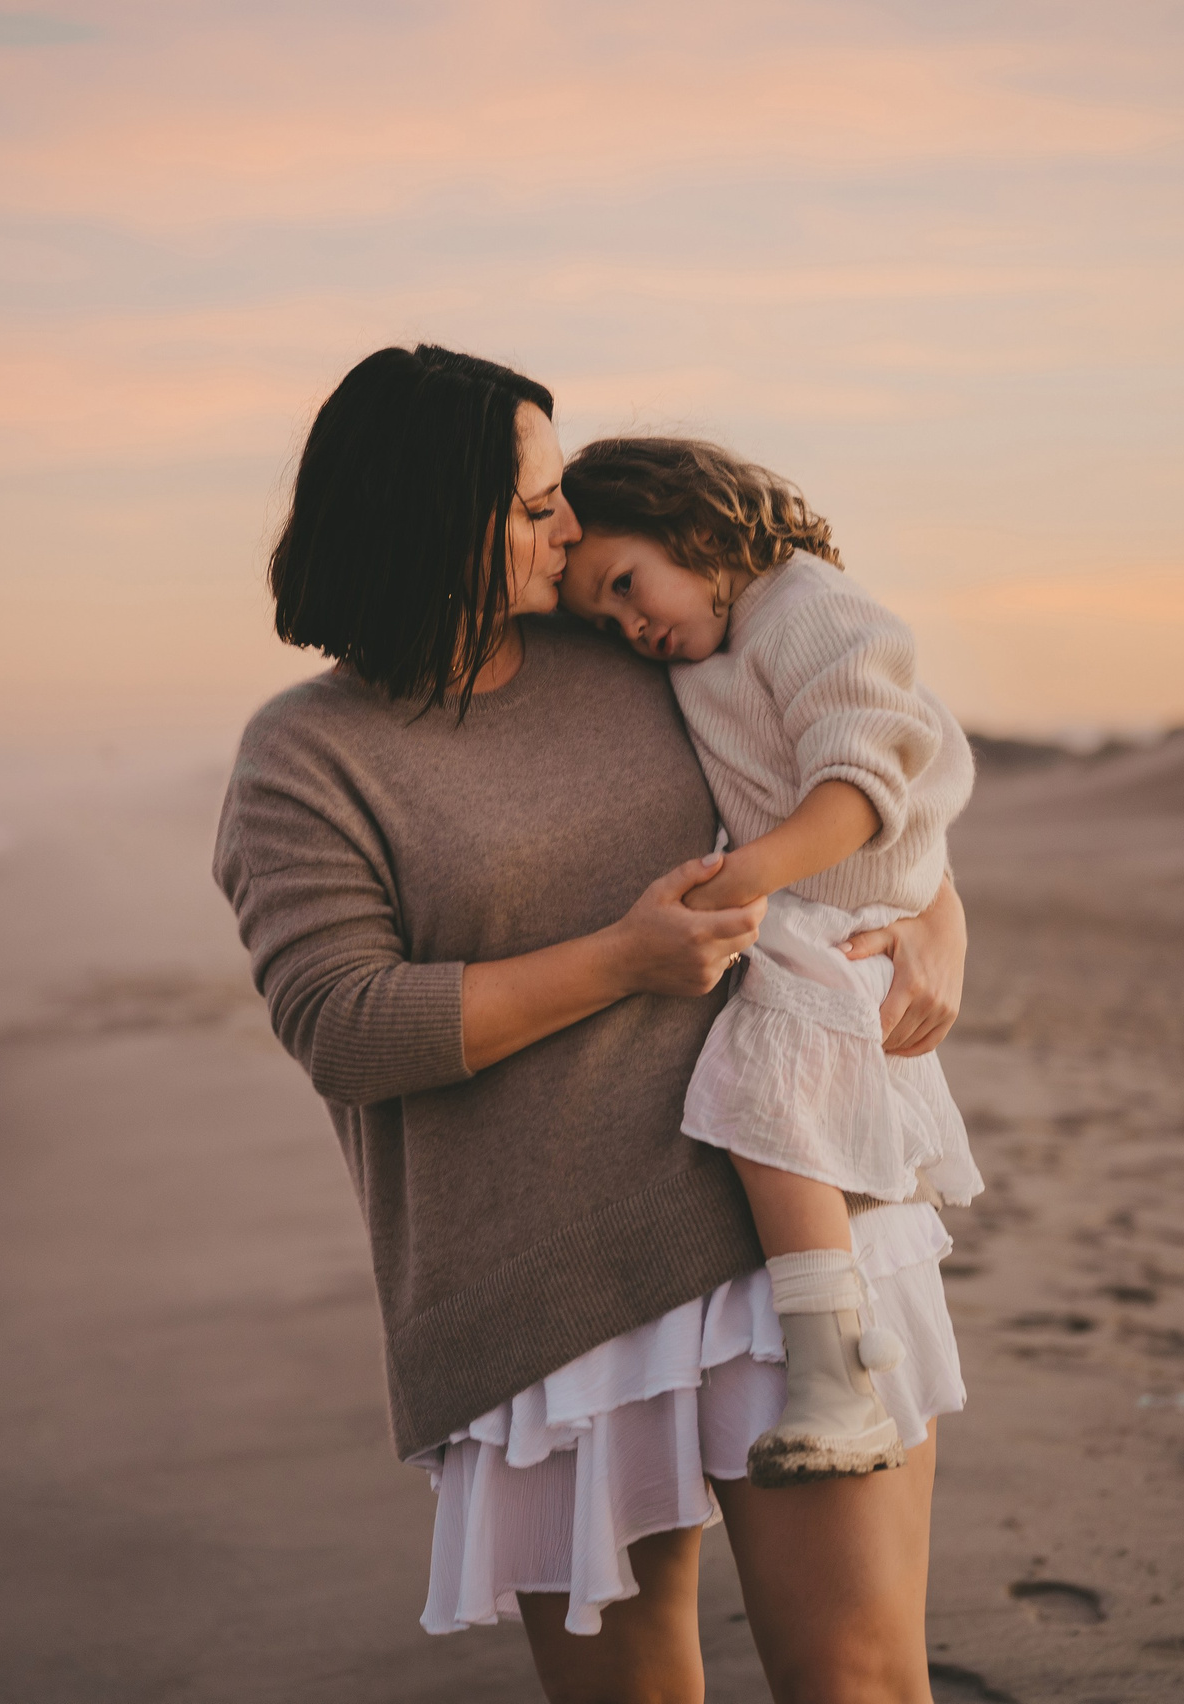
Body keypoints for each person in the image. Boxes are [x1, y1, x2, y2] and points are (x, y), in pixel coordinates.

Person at [213, 345, 968, 1703]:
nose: (570, 532)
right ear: (433, 519)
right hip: (538, 1289)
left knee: (858, 1680)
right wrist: (622, 959)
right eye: (535, 504)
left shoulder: (633, 642)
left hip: (789, 1244)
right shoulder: (305, 758)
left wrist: (940, 919)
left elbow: (855, 755)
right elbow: (344, 1026)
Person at [558, 437, 981, 1492]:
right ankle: (836, 1370)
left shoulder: (808, 608)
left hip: (838, 905)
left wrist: (743, 878)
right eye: (605, 622)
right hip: (816, 902)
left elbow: (860, 778)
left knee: (767, 1096)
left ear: (691, 522)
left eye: (626, 585)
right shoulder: (713, 646)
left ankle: (836, 1384)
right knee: (772, 1100)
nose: (632, 625)